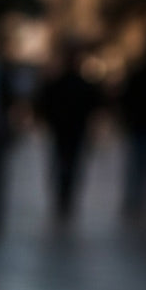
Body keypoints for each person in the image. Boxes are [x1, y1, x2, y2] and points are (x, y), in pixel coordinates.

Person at [34, 43, 103, 220]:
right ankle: (67, 196)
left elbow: (44, 103)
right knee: (72, 163)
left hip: (62, 129)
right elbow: (94, 104)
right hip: (74, 130)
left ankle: (62, 195)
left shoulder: (59, 83)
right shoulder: (81, 84)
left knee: (61, 162)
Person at [118, 33, 146, 216]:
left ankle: (137, 200)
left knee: (139, 165)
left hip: (143, 125)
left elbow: (127, 99)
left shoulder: (139, 72)